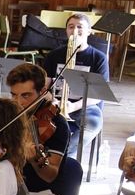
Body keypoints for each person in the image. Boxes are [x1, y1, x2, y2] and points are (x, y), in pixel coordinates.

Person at [4, 64, 70, 195]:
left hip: (45, 193)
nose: (18, 103)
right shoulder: (5, 117)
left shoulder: (57, 124)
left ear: (42, 93)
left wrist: (34, 160)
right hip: (11, 186)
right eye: (13, 95)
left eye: (26, 96)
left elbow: (50, 175)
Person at [42, 12, 109, 157]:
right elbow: (44, 87)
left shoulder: (98, 58)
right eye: (71, 27)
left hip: (84, 105)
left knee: (92, 124)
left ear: (89, 31)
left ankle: (61, 156)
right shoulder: (54, 55)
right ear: (66, 30)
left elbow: (98, 95)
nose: (75, 30)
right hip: (56, 103)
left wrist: (73, 106)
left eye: (80, 27)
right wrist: (52, 100)